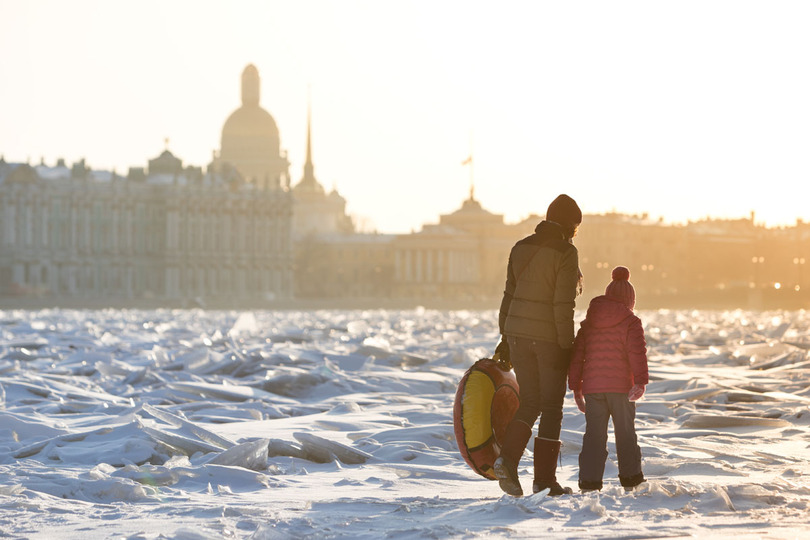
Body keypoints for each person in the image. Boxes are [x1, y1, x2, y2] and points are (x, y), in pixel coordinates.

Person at [493, 194, 582, 497]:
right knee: (552, 407)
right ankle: (544, 481)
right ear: (570, 224)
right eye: (575, 226)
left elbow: (509, 295)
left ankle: (506, 460)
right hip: (547, 340)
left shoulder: (520, 247)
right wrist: (565, 346)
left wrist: (505, 337)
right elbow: (563, 304)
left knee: (530, 402)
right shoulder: (566, 253)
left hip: (517, 336)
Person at [568, 266, 648, 492]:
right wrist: (640, 382)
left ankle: (589, 484)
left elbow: (577, 356)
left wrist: (576, 387)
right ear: (630, 300)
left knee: (594, 436)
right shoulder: (631, 321)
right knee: (625, 435)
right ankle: (631, 481)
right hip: (622, 388)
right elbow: (637, 353)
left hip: (593, 389)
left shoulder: (589, 322)